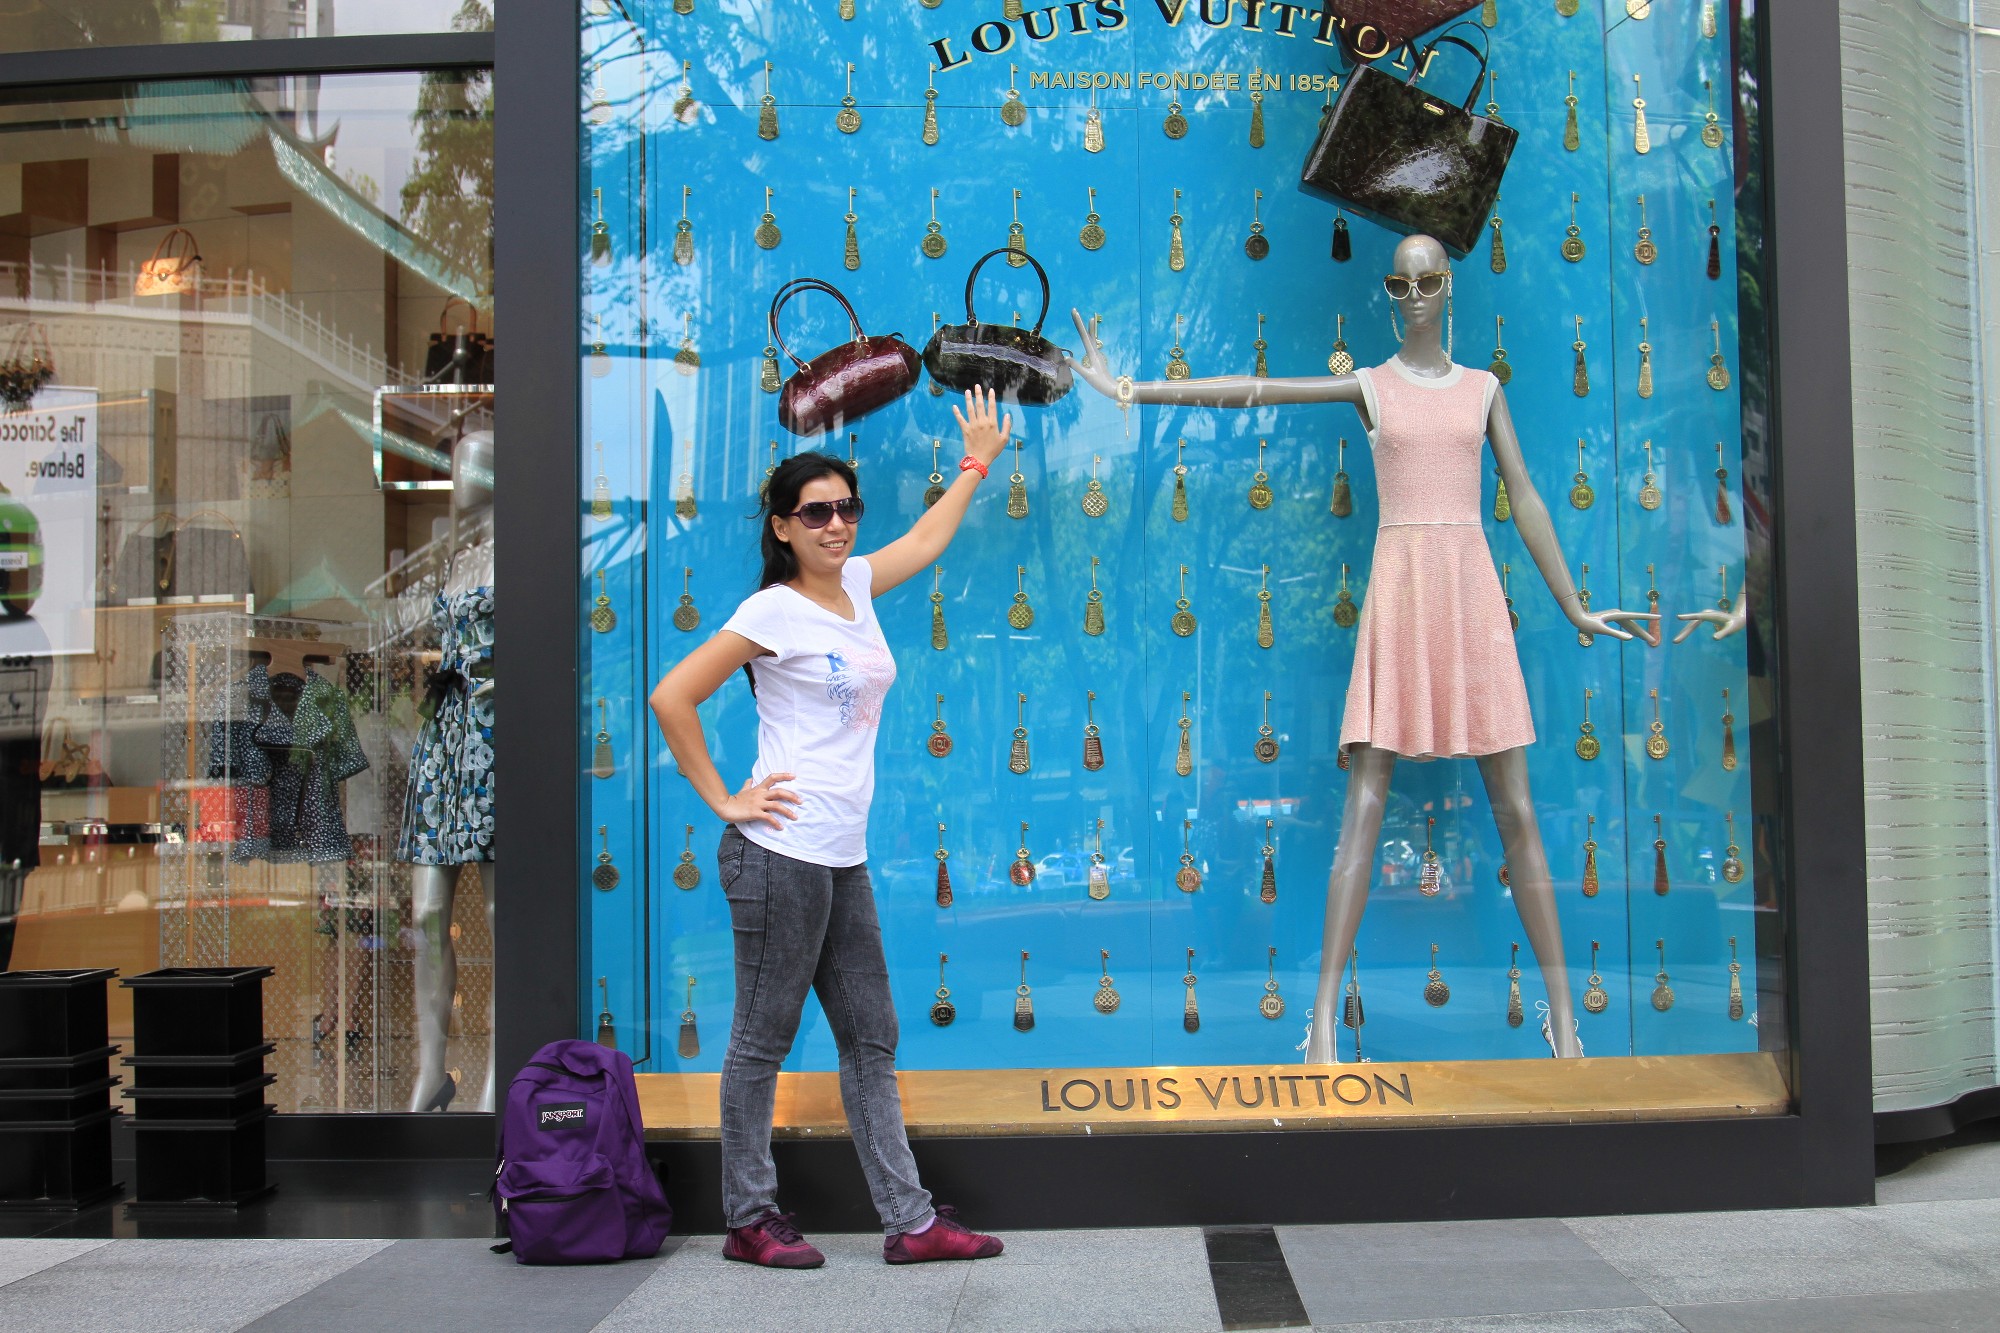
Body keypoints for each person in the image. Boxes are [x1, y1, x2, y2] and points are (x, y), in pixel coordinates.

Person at [1064, 235, 1656, 1062]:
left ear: (1448, 286)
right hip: (1401, 590)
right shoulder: (1373, 386)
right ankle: (1320, 1025)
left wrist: (1573, 604)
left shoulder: (1483, 390)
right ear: (1388, 291)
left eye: (1427, 281)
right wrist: (1129, 388)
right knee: (1363, 813)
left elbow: (1523, 494)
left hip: (1471, 592)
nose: (1414, 295)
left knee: (1517, 811)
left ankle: (1565, 1019)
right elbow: (1260, 390)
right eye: (1399, 283)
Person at [649, 387, 1012, 1269]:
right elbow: (672, 696)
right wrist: (725, 800)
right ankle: (749, 1218)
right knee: (761, 1041)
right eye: (816, 513)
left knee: (871, 1035)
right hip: (779, 854)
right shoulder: (773, 611)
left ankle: (910, 1221)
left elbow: (924, 542)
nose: (837, 524)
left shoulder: (853, 584)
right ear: (782, 527)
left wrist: (975, 463)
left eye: (847, 508)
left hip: (841, 857)